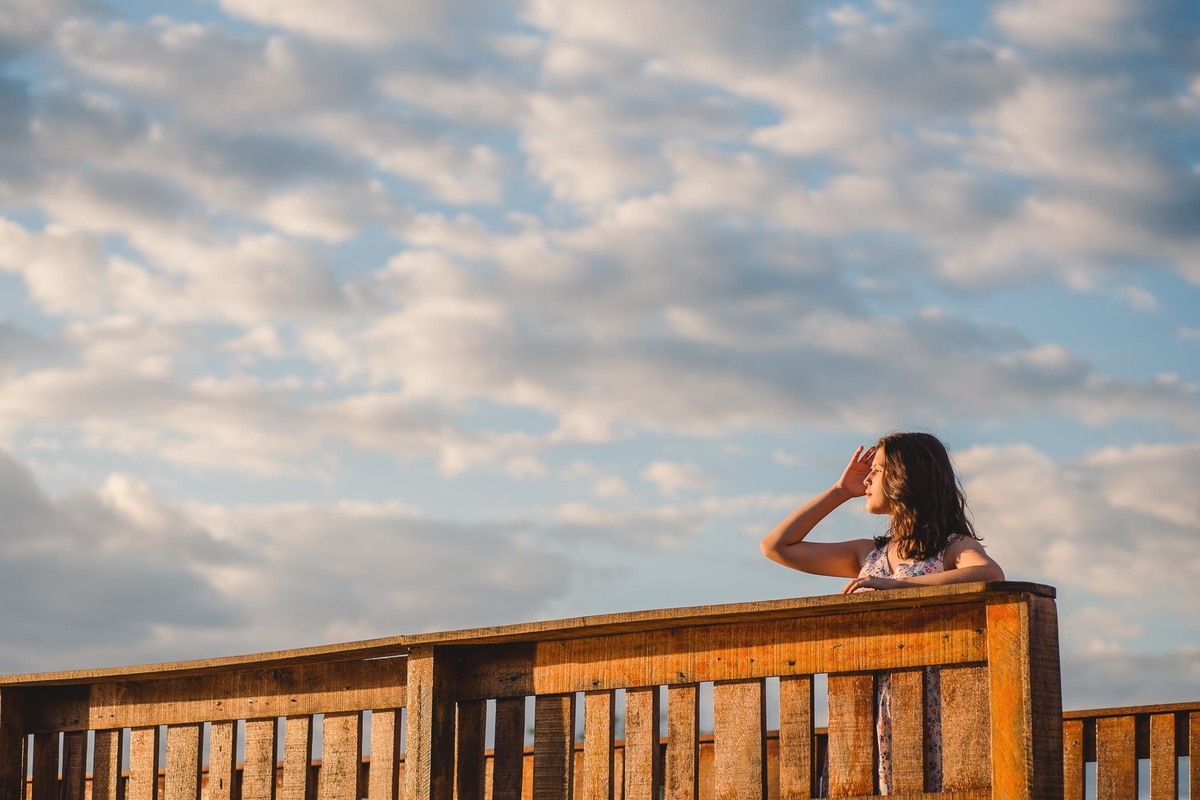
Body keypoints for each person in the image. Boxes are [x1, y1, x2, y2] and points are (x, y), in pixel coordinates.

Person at [759, 431, 1004, 795]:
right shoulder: (867, 554)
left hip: (929, 702)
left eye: (877, 469)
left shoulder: (952, 546)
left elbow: (989, 574)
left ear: (906, 477)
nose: (867, 478)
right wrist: (840, 491)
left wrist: (898, 588)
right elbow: (777, 546)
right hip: (865, 700)